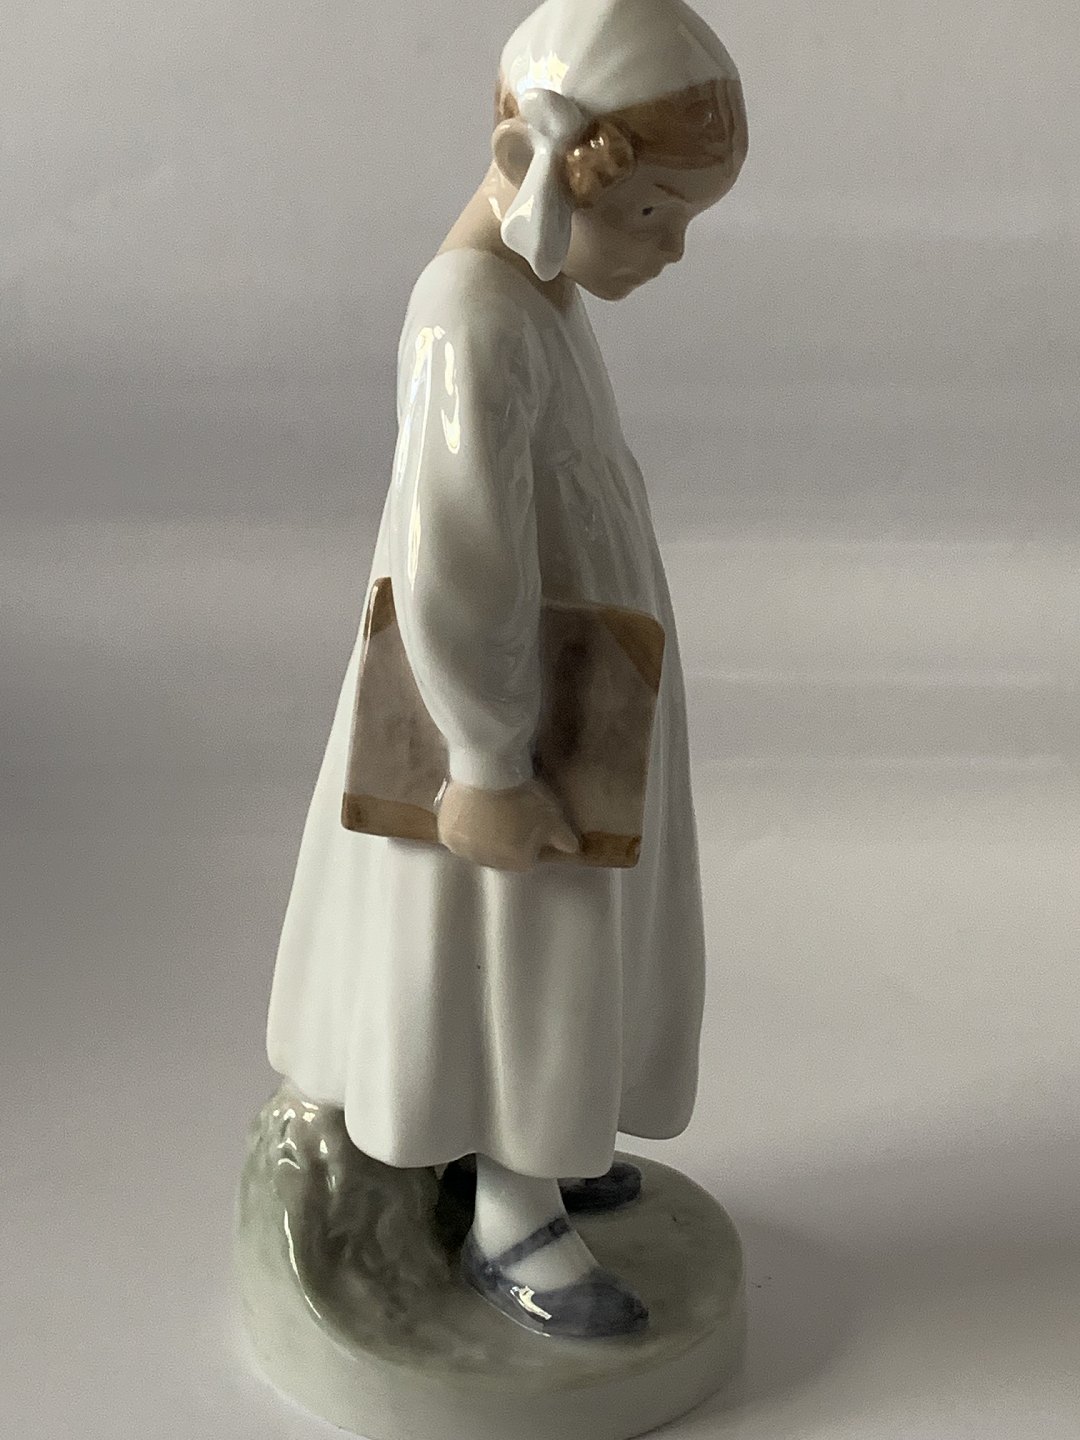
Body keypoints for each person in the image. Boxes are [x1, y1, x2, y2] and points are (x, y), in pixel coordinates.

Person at [266, 0, 748, 1340]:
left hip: (574, 677)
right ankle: (512, 1209)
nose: (672, 249)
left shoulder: (532, 294)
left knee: (571, 939)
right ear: (547, 173)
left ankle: (553, 1133)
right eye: (652, 214)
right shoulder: (468, 317)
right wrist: (484, 760)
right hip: (508, 708)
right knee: (521, 948)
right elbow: (459, 554)